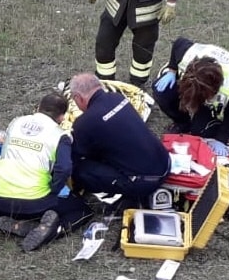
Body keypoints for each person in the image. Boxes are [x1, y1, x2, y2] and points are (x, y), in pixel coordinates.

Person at [0, 92, 92, 251]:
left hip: (0, 201)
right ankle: (53, 230)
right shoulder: (60, 135)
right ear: (61, 118)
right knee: (83, 210)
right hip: (34, 203)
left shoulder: (16, 122)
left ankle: (0, 220)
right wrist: (54, 190)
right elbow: (64, 169)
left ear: (38, 108)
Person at [68, 73, 171, 210]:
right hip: (165, 163)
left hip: (144, 183)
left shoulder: (85, 123)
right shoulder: (118, 98)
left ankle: (129, 195)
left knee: (80, 170)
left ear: (78, 98)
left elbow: (74, 156)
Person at [152, 36, 229, 156]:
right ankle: (182, 123)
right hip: (193, 81)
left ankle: (210, 121)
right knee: (162, 92)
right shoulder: (187, 55)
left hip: (217, 99)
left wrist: (221, 140)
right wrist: (172, 70)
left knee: (201, 131)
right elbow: (179, 42)